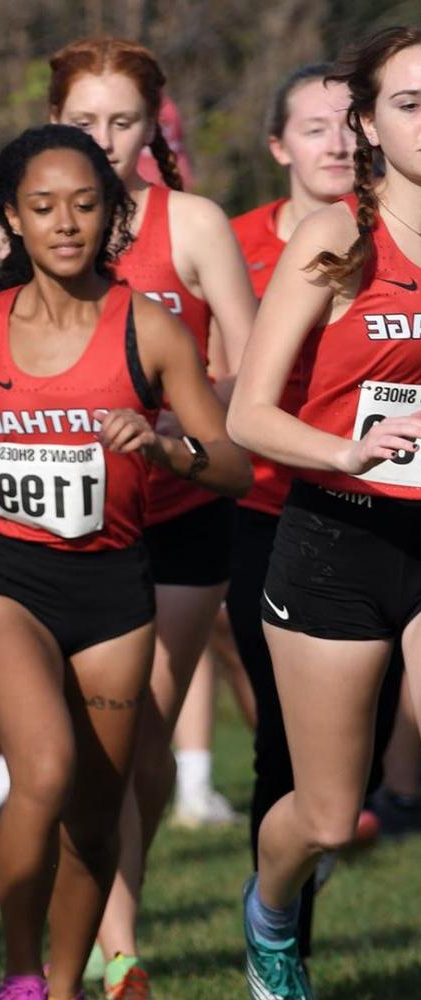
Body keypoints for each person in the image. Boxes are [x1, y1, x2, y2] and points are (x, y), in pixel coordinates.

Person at [0, 124, 249, 1000]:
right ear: (11, 219)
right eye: (43, 207)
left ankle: (64, 986)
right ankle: (22, 978)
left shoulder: (151, 331)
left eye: (85, 203)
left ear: (112, 215)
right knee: (44, 768)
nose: (65, 223)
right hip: (6, 584)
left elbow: (234, 467)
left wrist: (164, 446)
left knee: (99, 822)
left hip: (114, 592)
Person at [48, 38, 259, 996]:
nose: (104, 138)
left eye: (122, 120)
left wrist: (180, 410)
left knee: (147, 748)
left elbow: (249, 374)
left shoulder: (196, 223)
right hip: (76, 516)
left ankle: (117, 891)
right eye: (85, 121)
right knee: (106, 737)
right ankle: (117, 946)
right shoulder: (39, 221)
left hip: (182, 504)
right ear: (58, 124)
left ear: (153, 126)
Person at [227, 27, 421, 1000]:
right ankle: (270, 912)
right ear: (372, 127)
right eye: (410, 103)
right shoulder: (340, 236)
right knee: (331, 816)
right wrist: (346, 448)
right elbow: (249, 412)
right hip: (336, 538)